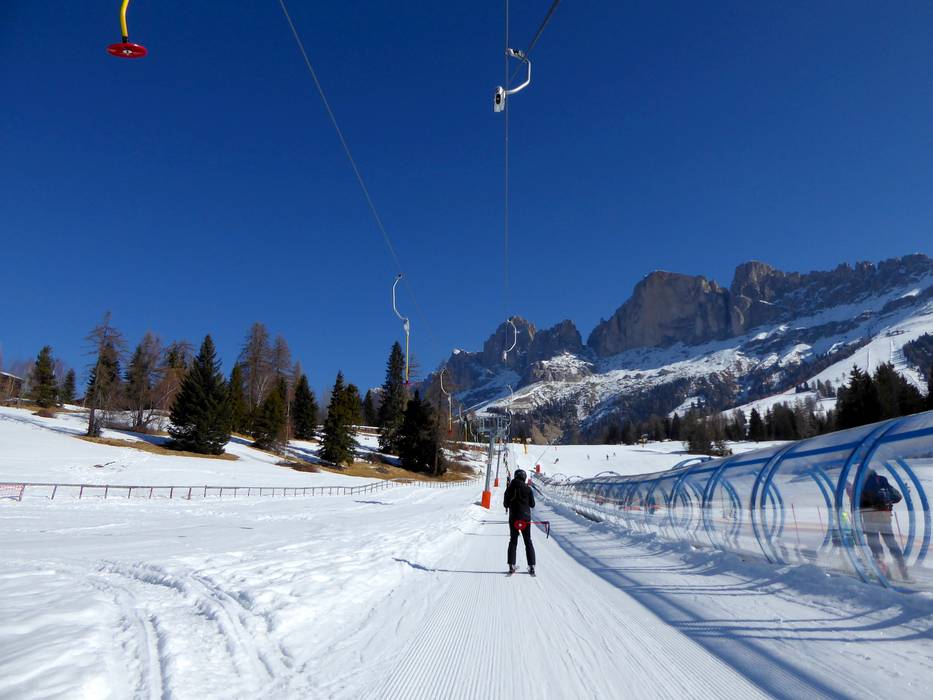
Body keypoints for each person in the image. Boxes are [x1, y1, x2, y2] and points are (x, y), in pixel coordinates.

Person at [860, 469, 909, 580]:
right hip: (885, 518)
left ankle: (885, 572)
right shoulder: (882, 480)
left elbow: (857, 504)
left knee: (875, 545)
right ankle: (903, 571)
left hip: (869, 519)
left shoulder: (861, 483)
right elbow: (896, 497)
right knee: (891, 543)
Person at [503, 468, 536, 575]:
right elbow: (532, 504)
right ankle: (531, 566)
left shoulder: (509, 488)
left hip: (513, 518)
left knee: (513, 540)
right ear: (524, 477)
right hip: (526, 518)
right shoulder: (528, 489)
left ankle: (511, 565)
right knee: (528, 541)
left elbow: (505, 504)